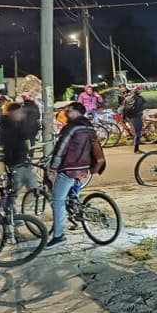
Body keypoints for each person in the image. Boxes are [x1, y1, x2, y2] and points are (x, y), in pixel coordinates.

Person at [46, 102, 106, 248]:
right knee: (72, 190)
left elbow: (61, 149)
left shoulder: (71, 128)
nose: (66, 113)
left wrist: (53, 168)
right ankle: (75, 204)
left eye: (68, 111)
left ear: (74, 111)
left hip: (69, 168)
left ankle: (59, 236)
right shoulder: (89, 127)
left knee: (57, 201)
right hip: (84, 167)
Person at [124, 86, 146, 154]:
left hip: (130, 116)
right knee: (138, 133)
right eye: (140, 90)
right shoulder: (138, 98)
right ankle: (136, 149)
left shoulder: (127, 97)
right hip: (136, 116)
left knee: (136, 132)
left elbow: (124, 106)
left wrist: (124, 117)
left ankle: (136, 148)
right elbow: (144, 102)